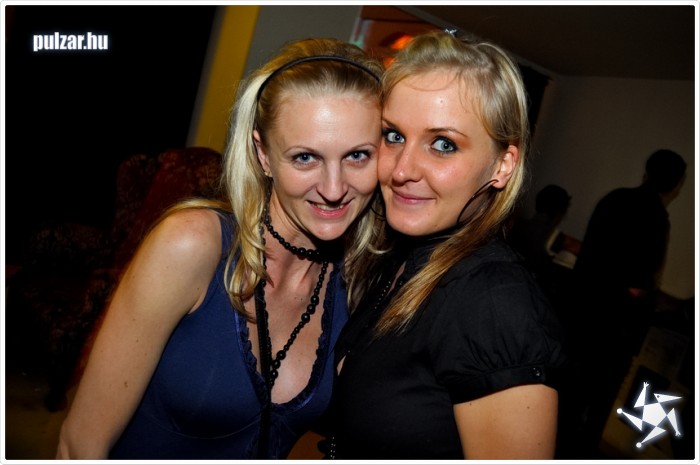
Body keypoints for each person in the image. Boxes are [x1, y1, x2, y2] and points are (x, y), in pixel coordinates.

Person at [55, 37, 384, 460]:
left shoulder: (358, 279)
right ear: (263, 154)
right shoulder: (192, 244)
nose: (334, 188)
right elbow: (79, 446)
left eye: (358, 155)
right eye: (305, 157)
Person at [324, 31, 568, 460]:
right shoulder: (403, 260)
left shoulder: (493, 302)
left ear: (502, 165)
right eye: (393, 136)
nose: (402, 170)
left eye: (443, 144)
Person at [566, 148, 687, 456]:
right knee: (597, 406)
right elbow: (638, 285)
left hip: (580, 312)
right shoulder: (656, 218)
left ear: (646, 171)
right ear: (676, 184)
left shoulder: (613, 198)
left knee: (569, 396)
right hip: (614, 329)